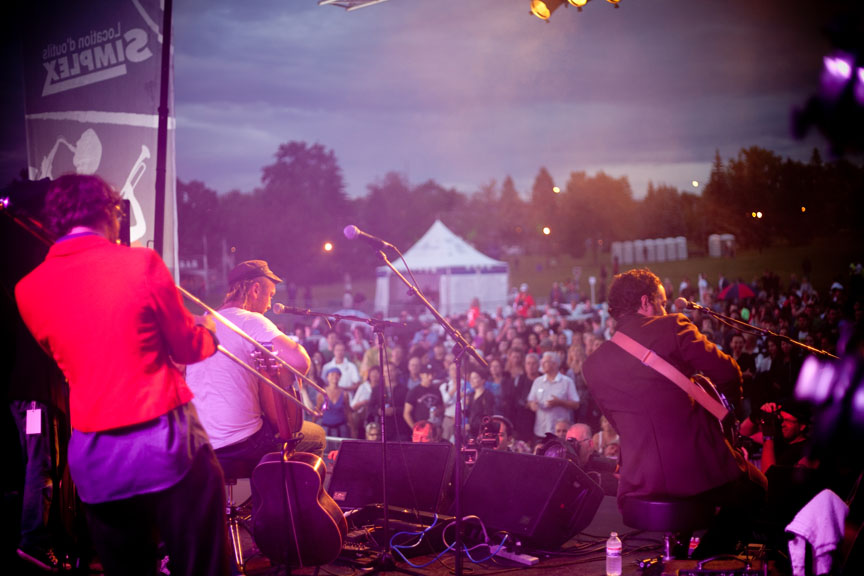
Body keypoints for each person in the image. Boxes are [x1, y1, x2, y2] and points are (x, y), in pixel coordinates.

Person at [15, 174, 229, 575]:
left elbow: (71, 357)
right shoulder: (140, 263)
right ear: (110, 212)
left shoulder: (27, 289)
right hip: (167, 450)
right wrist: (210, 333)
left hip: (97, 465)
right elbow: (186, 347)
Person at [583, 268, 766, 558]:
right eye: (662, 302)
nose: (665, 308)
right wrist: (729, 414)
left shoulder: (592, 365)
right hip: (697, 467)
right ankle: (704, 559)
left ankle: (678, 560)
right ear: (646, 302)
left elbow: (615, 421)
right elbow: (728, 371)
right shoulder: (672, 327)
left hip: (638, 479)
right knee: (757, 488)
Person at [186, 259, 326, 481]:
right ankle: (277, 509)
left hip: (200, 444)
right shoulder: (250, 321)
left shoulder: (203, 322)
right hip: (240, 445)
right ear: (255, 289)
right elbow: (300, 361)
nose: (270, 304)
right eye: (270, 295)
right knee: (316, 436)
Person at [526, 351, 581, 439]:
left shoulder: (567, 382)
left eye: (545, 362)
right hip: (541, 430)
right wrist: (532, 404)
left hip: (560, 433)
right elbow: (530, 400)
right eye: (542, 362)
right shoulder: (538, 381)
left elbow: (576, 404)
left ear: (555, 364)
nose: (542, 364)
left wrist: (559, 402)